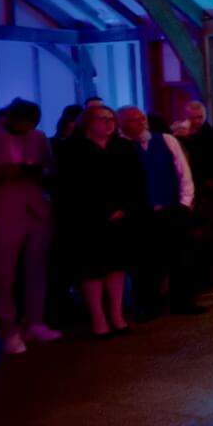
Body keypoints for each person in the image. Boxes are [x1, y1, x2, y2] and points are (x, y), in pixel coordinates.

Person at [0, 99, 61, 354]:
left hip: (36, 209)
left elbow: (52, 169)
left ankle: (35, 322)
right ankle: (8, 329)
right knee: (3, 275)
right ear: (9, 117)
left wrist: (37, 173)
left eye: (32, 125)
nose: (28, 129)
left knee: (37, 269)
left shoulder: (38, 137)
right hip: (1, 209)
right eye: (23, 124)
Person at [56, 105, 146, 338]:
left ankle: (116, 314)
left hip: (120, 216)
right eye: (102, 119)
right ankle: (98, 317)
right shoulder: (72, 150)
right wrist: (102, 210)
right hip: (87, 219)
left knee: (117, 266)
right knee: (92, 269)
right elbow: (71, 188)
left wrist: (124, 208)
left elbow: (135, 182)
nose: (108, 123)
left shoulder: (123, 147)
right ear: (88, 123)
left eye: (111, 119)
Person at [117, 106, 201, 322]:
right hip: (141, 213)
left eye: (141, 118)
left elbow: (183, 172)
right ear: (123, 124)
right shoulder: (122, 147)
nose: (140, 122)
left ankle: (183, 300)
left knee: (180, 256)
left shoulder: (165, 140)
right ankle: (149, 304)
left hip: (172, 207)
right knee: (144, 261)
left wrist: (184, 203)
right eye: (133, 120)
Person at [178, 101, 213, 296]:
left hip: (208, 194)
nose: (196, 121)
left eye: (199, 117)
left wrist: (188, 139)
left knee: (210, 237)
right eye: (192, 117)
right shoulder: (181, 136)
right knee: (195, 238)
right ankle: (198, 280)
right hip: (189, 192)